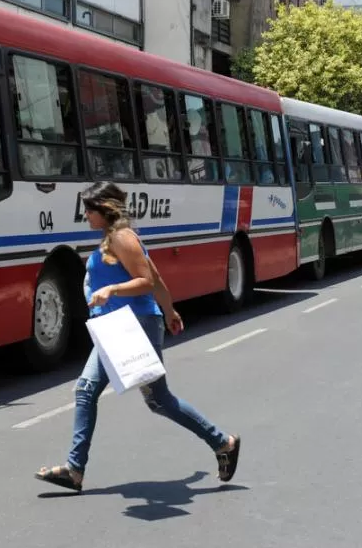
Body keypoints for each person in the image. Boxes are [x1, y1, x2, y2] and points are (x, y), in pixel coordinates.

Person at [34, 181, 240, 492]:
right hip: (114, 327)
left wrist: (112, 290)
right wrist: (170, 311)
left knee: (158, 399)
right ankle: (74, 470)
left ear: (105, 209)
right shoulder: (113, 238)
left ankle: (222, 442)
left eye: (89, 209)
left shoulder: (121, 237)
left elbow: (146, 280)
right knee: (87, 390)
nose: (85, 215)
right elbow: (155, 276)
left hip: (134, 324)